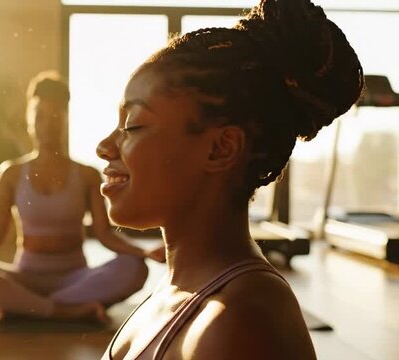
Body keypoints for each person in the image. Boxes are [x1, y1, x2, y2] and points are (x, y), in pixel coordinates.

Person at [96, 0, 363, 359]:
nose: (104, 147)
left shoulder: (239, 324)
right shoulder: (182, 290)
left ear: (221, 149)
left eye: (133, 125)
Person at [0, 71, 165, 323]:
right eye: (40, 116)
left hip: (76, 279)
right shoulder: (11, 174)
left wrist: (144, 253)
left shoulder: (87, 175)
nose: (49, 124)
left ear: (66, 120)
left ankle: (25, 308)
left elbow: (105, 234)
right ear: (29, 120)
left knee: (134, 268)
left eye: (56, 116)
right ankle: (63, 311)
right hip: (25, 278)